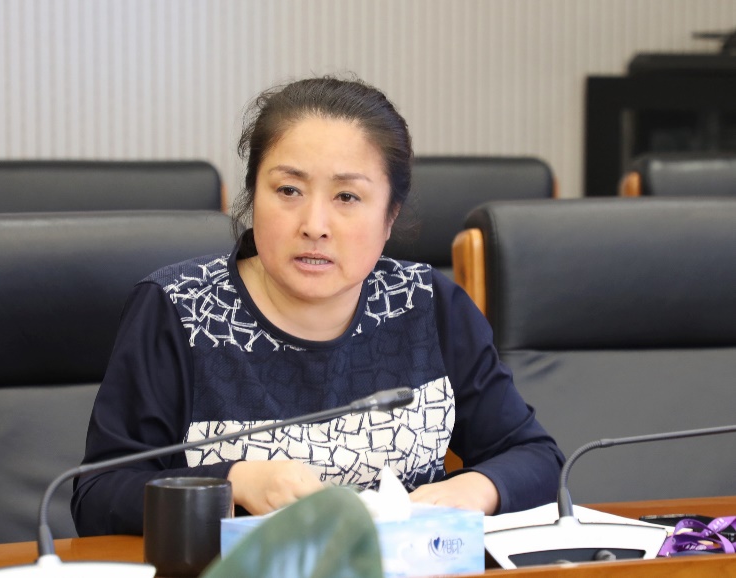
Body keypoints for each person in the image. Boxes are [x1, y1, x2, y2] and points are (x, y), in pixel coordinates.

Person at [72, 76, 564, 536]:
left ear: (389, 216)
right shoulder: (179, 310)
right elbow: (98, 495)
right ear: (253, 195)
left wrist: (475, 490)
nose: (314, 225)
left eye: (347, 196)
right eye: (289, 190)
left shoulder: (429, 305)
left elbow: (535, 457)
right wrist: (233, 482)